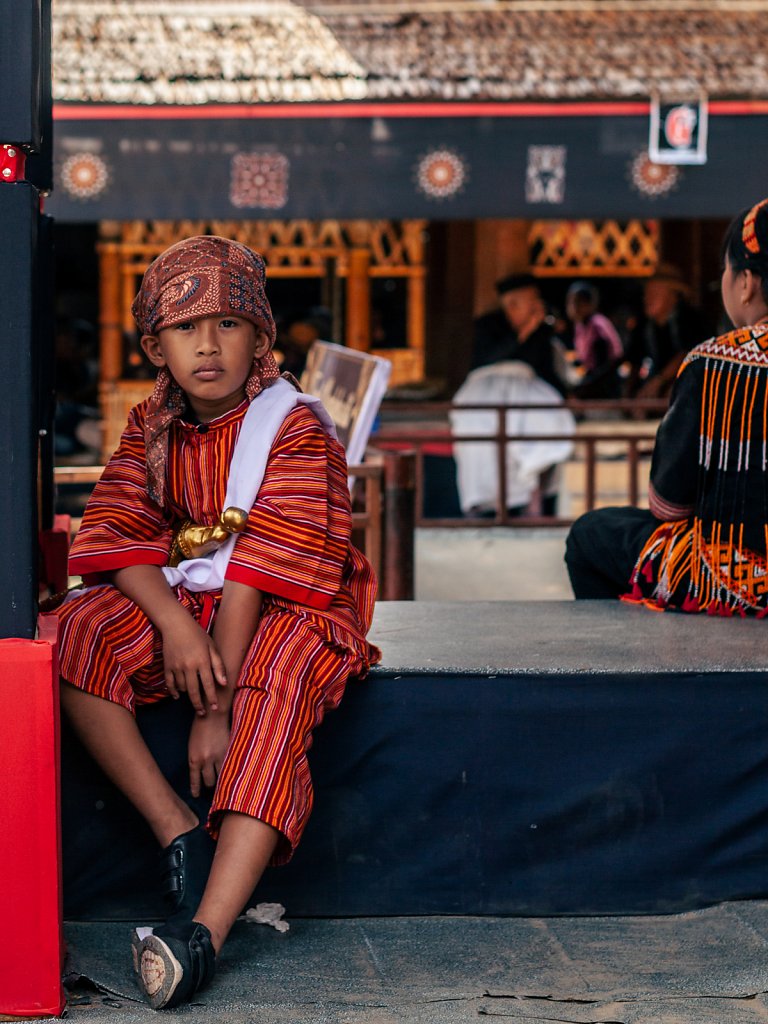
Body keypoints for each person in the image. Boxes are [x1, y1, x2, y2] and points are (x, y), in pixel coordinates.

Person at [52, 236, 380, 1009]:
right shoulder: (152, 424)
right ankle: (177, 830)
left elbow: (261, 572)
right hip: (196, 600)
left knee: (279, 678)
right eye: (185, 328)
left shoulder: (294, 425)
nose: (207, 344)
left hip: (290, 601)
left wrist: (215, 708)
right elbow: (118, 535)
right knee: (76, 629)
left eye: (229, 323)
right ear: (154, 346)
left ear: (261, 338)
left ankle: (204, 933)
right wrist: (173, 625)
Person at [565, 199, 768, 614]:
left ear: (746, 282)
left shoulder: (713, 361)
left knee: (591, 533)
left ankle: (647, 654)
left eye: (726, 271)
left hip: (736, 578)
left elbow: (668, 506)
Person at [624, 263, 709, 400]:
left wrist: (660, 381)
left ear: (673, 296)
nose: (648, 298)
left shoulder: (690, 319)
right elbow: (634, 359)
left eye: (655, 293)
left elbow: (689, 352)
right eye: (647, 293)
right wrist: (629, 394)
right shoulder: (644, 325)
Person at [470, 272, 565, 395]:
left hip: (528, 391)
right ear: (512, 305)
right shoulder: (486, 325)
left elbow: (546, 370)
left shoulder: (540, 332)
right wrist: (526, 329)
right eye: (532, 299)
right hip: (486, 388)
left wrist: (565, 394)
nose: (538, 304)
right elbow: (488, 357)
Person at [564, 282, 624, 399]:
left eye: (578, 302)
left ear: (589, 304)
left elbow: (604, 364)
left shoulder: (597, 325)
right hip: (595, 380)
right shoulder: (581, 325)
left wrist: (584, 386)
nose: (573, 307)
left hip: (607, 385)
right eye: (571, 302)